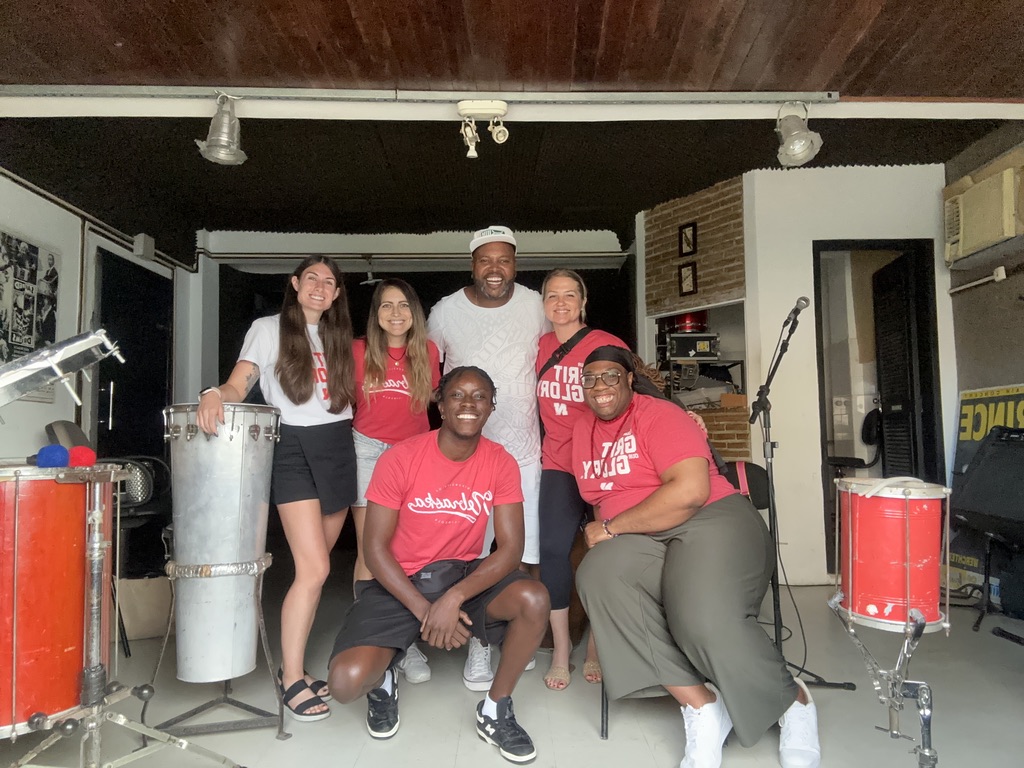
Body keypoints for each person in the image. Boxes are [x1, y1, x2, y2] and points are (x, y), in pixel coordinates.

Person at [572, 346, 821, 768]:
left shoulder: (660, 415)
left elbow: (690, 492)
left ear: (630, 378)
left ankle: (793, 700)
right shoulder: (583, 430)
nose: (600, 386)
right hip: (642, 534)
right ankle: (704, 707)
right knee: (598, 573)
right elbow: (601, 497)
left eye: (610, 376)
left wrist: (612, 528)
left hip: (709, 519)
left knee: (699, 617)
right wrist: (608, 534)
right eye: (590, 379)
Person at [327, 366, 549, 764]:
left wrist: (454, 598)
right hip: (400, 582)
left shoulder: (500, 462)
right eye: (458, 396)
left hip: (462, 574)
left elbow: (511, 548)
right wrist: (426, 611)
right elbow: (374, 549)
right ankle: (385, 680)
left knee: (533, 597)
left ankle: (495, 711)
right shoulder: (401, 458)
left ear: (491, 407)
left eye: (480, 396)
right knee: (345, 683)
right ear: (441, 405)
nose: (469, 404)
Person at [197, 256, 357, 724]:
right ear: (295, 283)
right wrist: (214, 392)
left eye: (330, 282)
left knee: (317, 573)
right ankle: (290, 678)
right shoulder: (268, 328)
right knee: (314, 569)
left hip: (338, 448)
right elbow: (238, 383)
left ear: (336, 294)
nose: (320, 288)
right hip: (292, 448)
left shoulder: (337, 337)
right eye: (313, 279)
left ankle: (297, 667)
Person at [427, 225, 549, 691]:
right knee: (473, 553)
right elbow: (421, 366)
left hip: (523, 451)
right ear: (472, 263)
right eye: (485, 260)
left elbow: (571, 351)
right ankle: (479, 645)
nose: (495, 269)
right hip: (466, 455)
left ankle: (519, 632)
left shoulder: (536, 306)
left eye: (504, 259)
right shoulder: (445, 312)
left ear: (515, 262)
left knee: (526, 551)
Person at [535, 269, 628, 691]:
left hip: (602, 461)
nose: (561, 302)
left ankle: (594, 645)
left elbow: (637, 396)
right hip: (557, 461)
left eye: (569, 295)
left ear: (583, 301)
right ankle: (559, 649)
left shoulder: (605, 345)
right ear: (543, 304)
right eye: (552, 296)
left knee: (603, 548)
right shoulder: (539, 347)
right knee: (553, 549)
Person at [351, 278, 441, 685]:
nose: (396, 313)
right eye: (387, 306)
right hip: (367, 450)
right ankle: (370, 640)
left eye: (403, 305)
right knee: (370, 550)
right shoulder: (357, 352)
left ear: (414, 312)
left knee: (409, 551)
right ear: (376, 314)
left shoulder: (428, 352)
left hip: (414, 453)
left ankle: (406, 644)